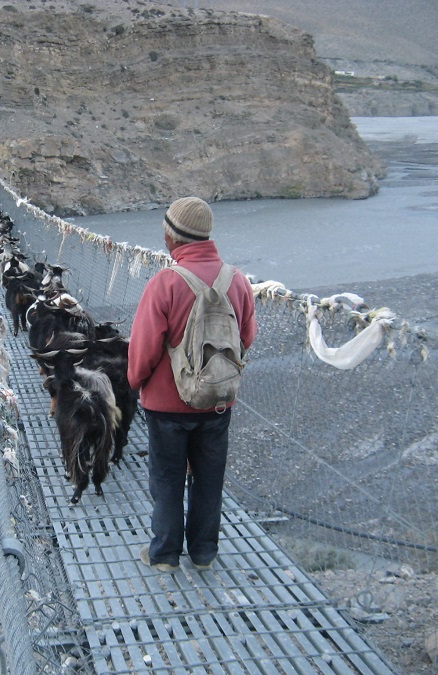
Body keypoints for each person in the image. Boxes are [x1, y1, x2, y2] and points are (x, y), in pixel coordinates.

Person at [128, 196, 258, 572]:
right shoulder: (237, 280)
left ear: (172, 237)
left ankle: (165, 555)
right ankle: (204, 553)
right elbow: (245, 338)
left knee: (167, 479)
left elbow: (144, 350)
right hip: (217, 401)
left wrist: (137, 383)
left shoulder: (165, 283)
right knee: (209, 478)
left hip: (167, 406)